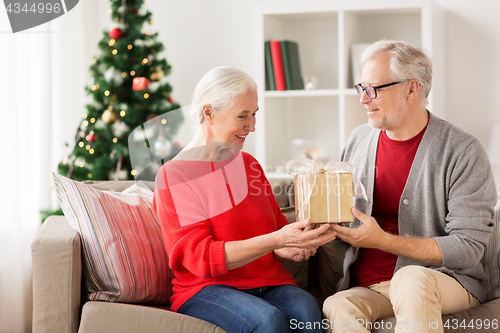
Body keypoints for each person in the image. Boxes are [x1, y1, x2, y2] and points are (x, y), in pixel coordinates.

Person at [322, 40, 497, 333]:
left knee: (410, 280)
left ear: (412, 89)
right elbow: (344, 218)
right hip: (372, 286)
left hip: (444, 280)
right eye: (361, 88)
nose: (363, 99)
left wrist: (383, 241)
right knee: (339, 305)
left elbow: (467, 248)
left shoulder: (463, 150)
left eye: (374, 89)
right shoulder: (358, 140)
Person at [154, 66, 337, 333]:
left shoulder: (249, 164)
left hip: (269, 283)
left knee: (308, 312)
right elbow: (202, 259)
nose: (251, 126)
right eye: (243, 115)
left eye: (254, 114)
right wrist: (277, 240)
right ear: (209, 113)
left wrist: (290, 245)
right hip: (206, 289)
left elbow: (275, 232)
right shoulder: (176, 174)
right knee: (267, 320)